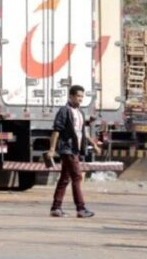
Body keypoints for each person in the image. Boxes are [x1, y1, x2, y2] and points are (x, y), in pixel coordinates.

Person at [46, 85, 101, 218]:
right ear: (70, 96)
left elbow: (83, 132)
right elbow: (56, 130)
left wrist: (94, 144)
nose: (80, 99)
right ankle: (81, 209)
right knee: (77, 176)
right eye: (78, 96)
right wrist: (52, 149)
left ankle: (56, 207)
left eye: (82, 96)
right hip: (67, 148)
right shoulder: (64, 111)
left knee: (65, 178)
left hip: (75, 149)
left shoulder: (80, 112)